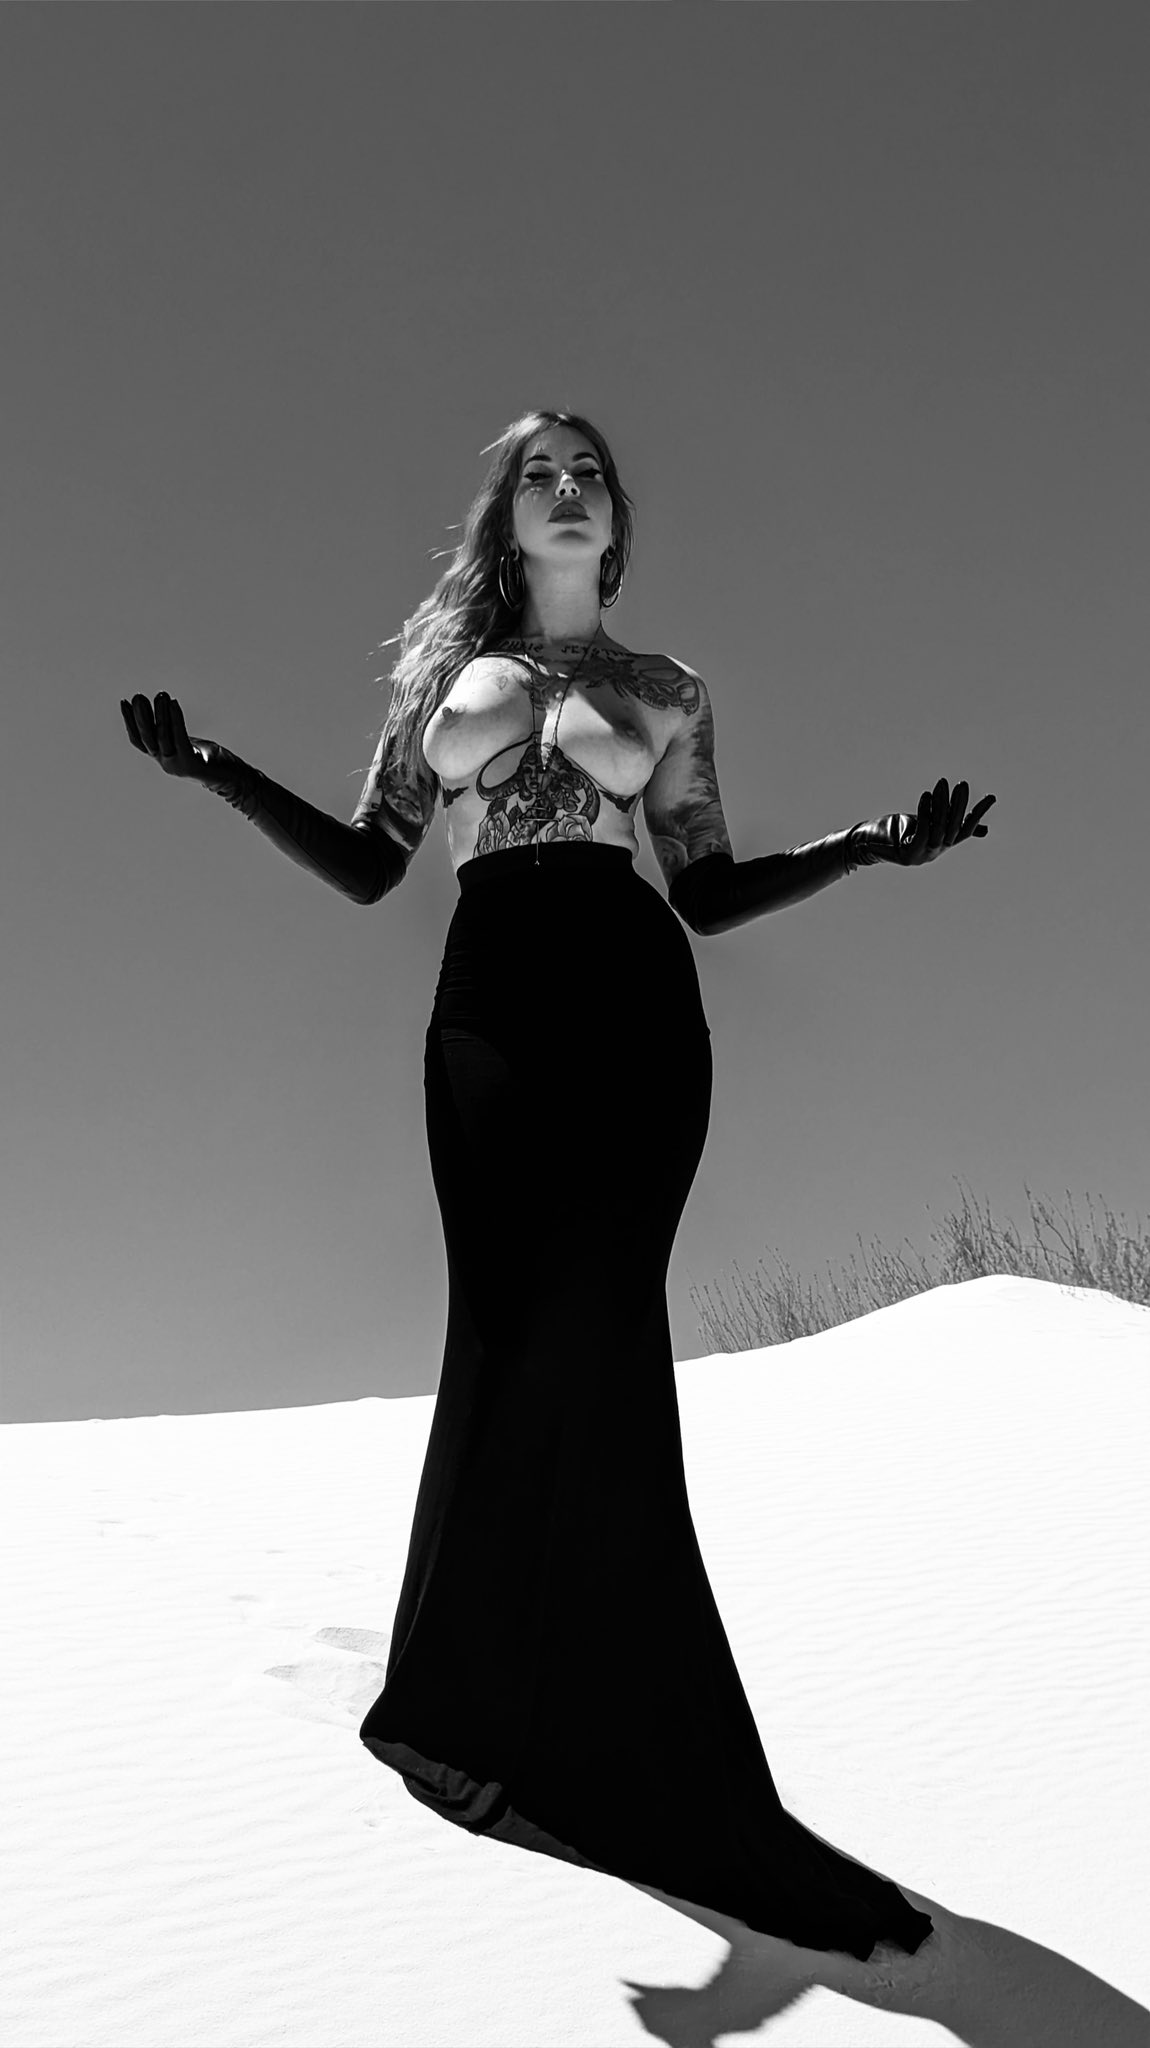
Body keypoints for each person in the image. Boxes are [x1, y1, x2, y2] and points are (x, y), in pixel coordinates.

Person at [121, 407, 994, 1966]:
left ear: (613, 521)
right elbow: (371, 861)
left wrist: (866, 845)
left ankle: (649, 1746)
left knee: (603, 1335)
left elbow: (706, 889)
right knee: (504, 1328)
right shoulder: (443, 684)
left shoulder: (665, 691)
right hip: (489, 1003)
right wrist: (212, 770)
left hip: (631, 1005)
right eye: (541, 472)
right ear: (508, 519)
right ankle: (475, 1695)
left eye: (588, 471)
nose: (569, 487)